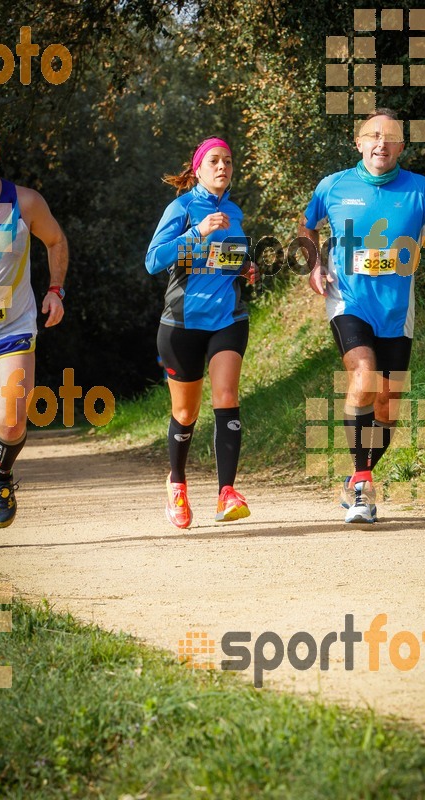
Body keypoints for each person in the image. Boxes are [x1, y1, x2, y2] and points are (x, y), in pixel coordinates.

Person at [299, 109, 425, 524]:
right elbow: (306, 225)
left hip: (396, 311)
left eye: (390, 137)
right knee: (362, 378)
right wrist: (314, 262)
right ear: (358, 143)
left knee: (387, 409)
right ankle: (363, 487)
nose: (380, 143)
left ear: (402, 147)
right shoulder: (333, 186)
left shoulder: (422, 191)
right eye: (372, 135)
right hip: (348, 300)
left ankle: (356, 476)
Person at [146, 136, 256, 529]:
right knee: (185, 412)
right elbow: (153, 261)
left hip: (228, 319)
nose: (223, 166)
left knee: (226, 396)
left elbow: (229, 261)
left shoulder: (235, 211)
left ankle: (227, 493)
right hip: (181, 326)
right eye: (214, 160)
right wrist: (197, 233)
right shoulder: (181, 208)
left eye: (228, 160)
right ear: (197, 169)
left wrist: (245, 268)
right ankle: (176, 484)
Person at [0, 128, 68, 527]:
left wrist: (56, 290)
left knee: (11, 420)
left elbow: (56, 241)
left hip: (12, 328)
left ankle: (0, 477)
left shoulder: (23, 202)